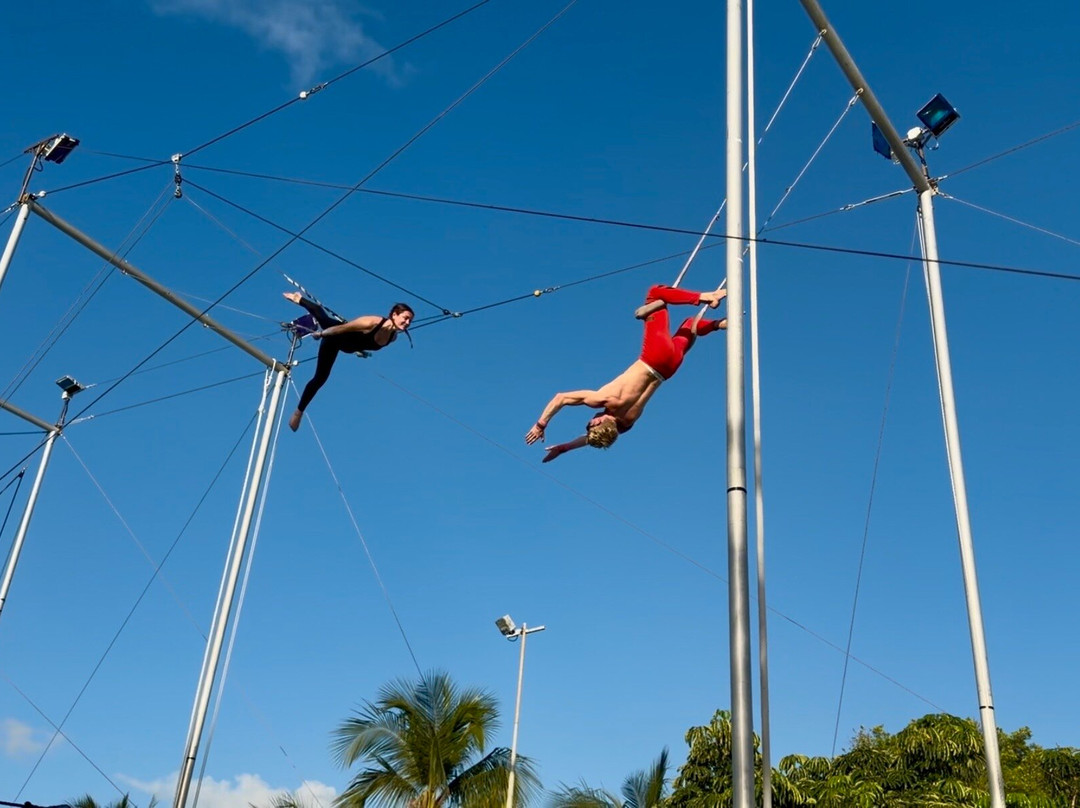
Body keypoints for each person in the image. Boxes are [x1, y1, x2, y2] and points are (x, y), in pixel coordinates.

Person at [524, 284, 726, 461]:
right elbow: (561, 398)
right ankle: (706, 297)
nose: (590, 421)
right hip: (654, 357)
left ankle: (720, 324)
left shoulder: (627, 423)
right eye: (590, 424)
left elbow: (592, 438)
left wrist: (564, 448)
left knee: (690, 325)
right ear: (599, 422)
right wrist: (541, 425)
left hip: (669, 369)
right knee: (655, 294)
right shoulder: (604, 399)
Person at [284, 291, 414, 431]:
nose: (407, 323)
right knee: (320, 377)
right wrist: (322, 333)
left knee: (322, 375)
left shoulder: (392, 338)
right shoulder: (371, 322)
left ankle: (301, 301)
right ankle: (298, 413)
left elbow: (363, 342)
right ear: (394, 314)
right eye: (405, 318)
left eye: (410, 321)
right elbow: (342, 328)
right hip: (334, 336)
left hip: (347, 345)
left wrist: (360, 351)